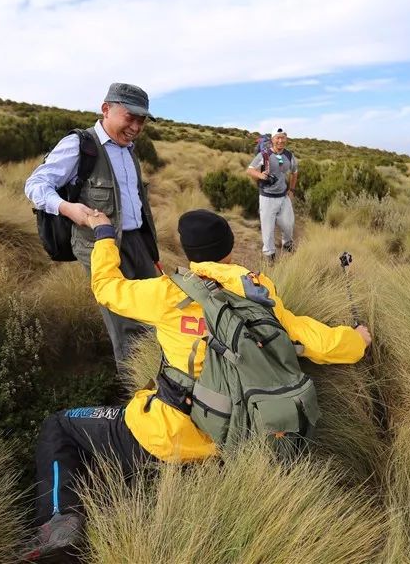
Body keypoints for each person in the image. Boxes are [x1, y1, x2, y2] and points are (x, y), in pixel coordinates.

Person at [23, 209, 372, 561]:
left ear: (187, 250)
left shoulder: (167, 292)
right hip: (236, 444)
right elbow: (313, 339)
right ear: (231, 247)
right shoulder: (259, 291)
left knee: (61, 427)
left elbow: (106, 289)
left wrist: (103, 235)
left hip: (164, 437)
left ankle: (60, 528)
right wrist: (357, 339)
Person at [24, 82, 160, 376]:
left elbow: (137, 204)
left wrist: (152, 250)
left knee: (157, 312)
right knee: (125, 325)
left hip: (138, 244)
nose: (136, 126)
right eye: (130, 117)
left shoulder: (129, 149)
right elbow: (35, 185)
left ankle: (163, 379)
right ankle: (137, 390)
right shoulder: (80, 144)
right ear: (106, 109)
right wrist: (68, 208)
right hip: (102, 248)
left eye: (142, 120)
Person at [246, 127, 298, 262]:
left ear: (286, 139)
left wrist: (291, 190)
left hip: (283, 197)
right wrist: (261, 175)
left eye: (283, 138)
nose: (280, 140)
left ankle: (287, 244)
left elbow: (294, 172)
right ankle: (270, 255)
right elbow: (250, 170)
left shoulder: (289, 156)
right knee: (268, 230)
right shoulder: (264, 155)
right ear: (272, 140)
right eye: (277, 138)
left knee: (288, 225)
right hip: (267, 198)